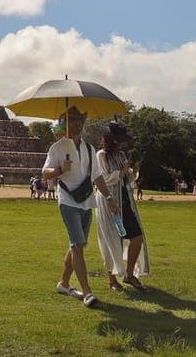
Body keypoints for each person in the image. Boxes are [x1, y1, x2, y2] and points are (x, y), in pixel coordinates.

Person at [42, 106, 116, 308]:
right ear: (66, 123)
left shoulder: (89, 149)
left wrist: (108, 198)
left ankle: (64, 283)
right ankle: (87, 292)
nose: (77, 124)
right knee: (77, 245)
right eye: (72, 120)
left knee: (78, 245)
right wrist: (59, 169)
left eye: (79, 120)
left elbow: (97, 176)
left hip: (86, 201)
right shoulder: (57, 147)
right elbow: (45, 173)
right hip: (67, 201)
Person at [95, 121, 149, 292]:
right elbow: (102, 178)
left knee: (137, 237)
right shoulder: (101, 155)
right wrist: (122, 172)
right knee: (112, 239)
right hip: (109, 201)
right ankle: (112, 279)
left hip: (126, 202)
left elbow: (128, 178)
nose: (122, 143)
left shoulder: (121, 155)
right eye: (118, 140)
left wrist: (133, 171)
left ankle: (129, 274)